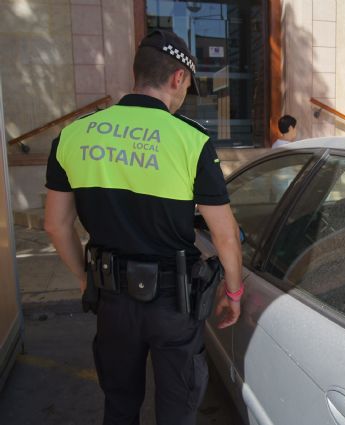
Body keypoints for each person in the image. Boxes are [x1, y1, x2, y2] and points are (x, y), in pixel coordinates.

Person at [44, 29, 244, 425]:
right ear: (178, 79)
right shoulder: (191, 141)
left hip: (112, 300)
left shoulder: (72, 135)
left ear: (137, 73)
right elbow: (224, 234)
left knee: (119, 405)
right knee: (177, 408)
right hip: (174, 303)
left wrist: (86, 280)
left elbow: (55, 225)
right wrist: (234, 290)